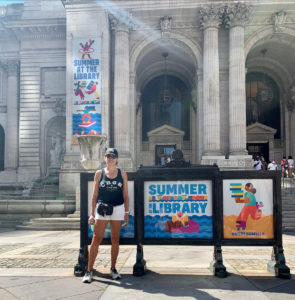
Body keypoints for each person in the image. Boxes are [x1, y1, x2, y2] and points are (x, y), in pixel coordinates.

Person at [82, 148, 129, 283]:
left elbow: (126, 195)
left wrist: (126, 212)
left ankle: (113, 269)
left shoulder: (122, 174)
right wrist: (92, 214)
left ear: (117, 159)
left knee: (115, 239)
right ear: (105, 158)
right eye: (108, 156)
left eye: (113, 156)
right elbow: (94, 195)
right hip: (102, 209)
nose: (110, 158)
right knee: (96, 239)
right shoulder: (99, 173)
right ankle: (89, 270)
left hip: (118, 208)